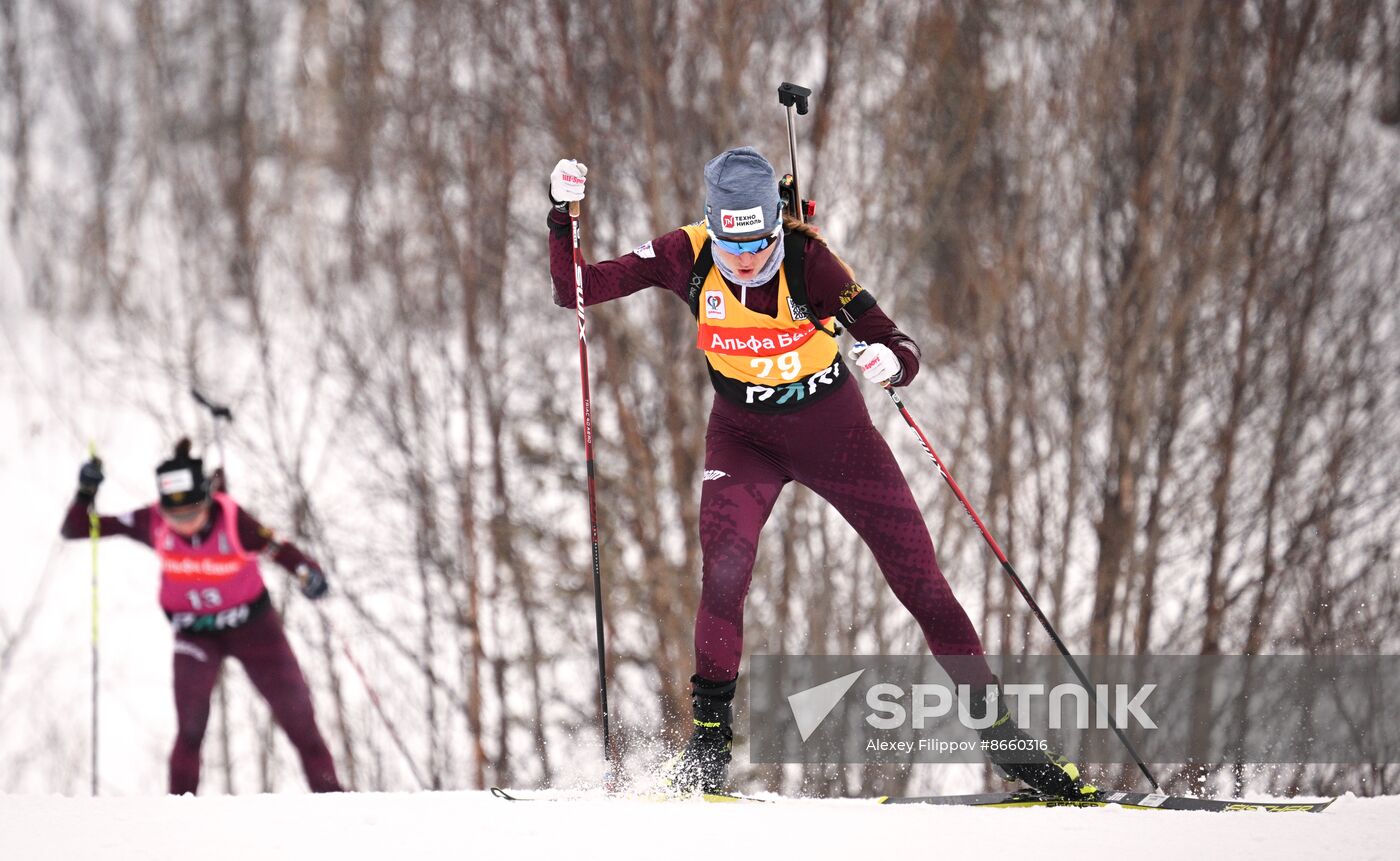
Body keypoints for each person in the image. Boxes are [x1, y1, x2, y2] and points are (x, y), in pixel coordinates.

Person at [546, 148, 1095, 799]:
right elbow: (576, 288)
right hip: (744, 437)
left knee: (920, 580)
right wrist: (563, 216)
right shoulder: (685, 254)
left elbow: (897, 340)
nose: (745, 257)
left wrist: (892, 364)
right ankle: (708, 749)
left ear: (775, 226)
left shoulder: (810, 263)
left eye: (758, 241)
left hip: (833, 432)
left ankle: (1009, 746)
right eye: (732, 241)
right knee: (723, 572)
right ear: (711, 226)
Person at [60, 438, 342, 795]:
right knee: (191, 728)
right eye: (175, 516)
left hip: (253, 629)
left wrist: (308, 573)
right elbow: (77, 529)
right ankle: (179, 812)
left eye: (193, 513)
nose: (185, 524)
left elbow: (281, 550)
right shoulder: (153, 522)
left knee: (301, 721)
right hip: (195, 634)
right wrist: (86, 492)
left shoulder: (233, 520)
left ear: (208, 501)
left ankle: (334, 801)